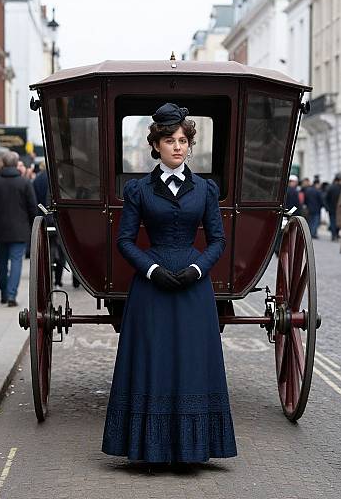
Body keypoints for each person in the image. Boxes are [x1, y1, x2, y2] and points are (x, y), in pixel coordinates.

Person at [102, 103, 237, 463]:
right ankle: (150, 448)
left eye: (182, 140)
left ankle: (194, 450)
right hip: (152, 288)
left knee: (192, 360)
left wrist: (197, 270)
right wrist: (151, 270)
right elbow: (125, 240)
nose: (177, 147)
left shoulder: (206, 190)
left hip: (195, 288)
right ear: (156, 146)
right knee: (154, 358)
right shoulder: (139, 190)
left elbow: (218, 240)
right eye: (169, 140)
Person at [0, 151, 37, 306]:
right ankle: (11, 295)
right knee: (16, 261)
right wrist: (31, 225)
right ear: (16, 164)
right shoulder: (24, 183)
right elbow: (32, 208)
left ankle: (3, 292)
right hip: (20, 228)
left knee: (2, 261)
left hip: (1, 228)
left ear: (3, 163)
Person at [325, 173, 341, 241]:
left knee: (333, 222)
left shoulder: (330, 188)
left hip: (331, 208)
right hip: (340, 209)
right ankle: (336, 234)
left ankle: (334, 235)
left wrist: (327, 207)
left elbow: (326, 198)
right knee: (338, 222)